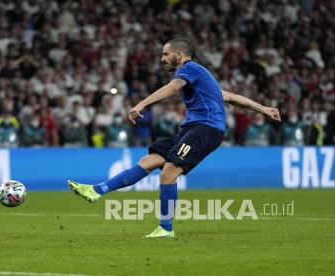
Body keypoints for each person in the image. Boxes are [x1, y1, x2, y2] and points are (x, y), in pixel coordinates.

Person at [68, 37, 281, 238]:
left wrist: (142, 103)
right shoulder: (199, 75)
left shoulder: (189, 69)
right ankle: (97, 190)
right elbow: (230, 97)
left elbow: (174, 87)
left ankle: (165, 228)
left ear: (179, 55)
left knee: (168, 173)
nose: (162, 59)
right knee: (147, 161)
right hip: (190, 128)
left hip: (206, 128)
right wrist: (262, 108)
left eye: (165, 54)